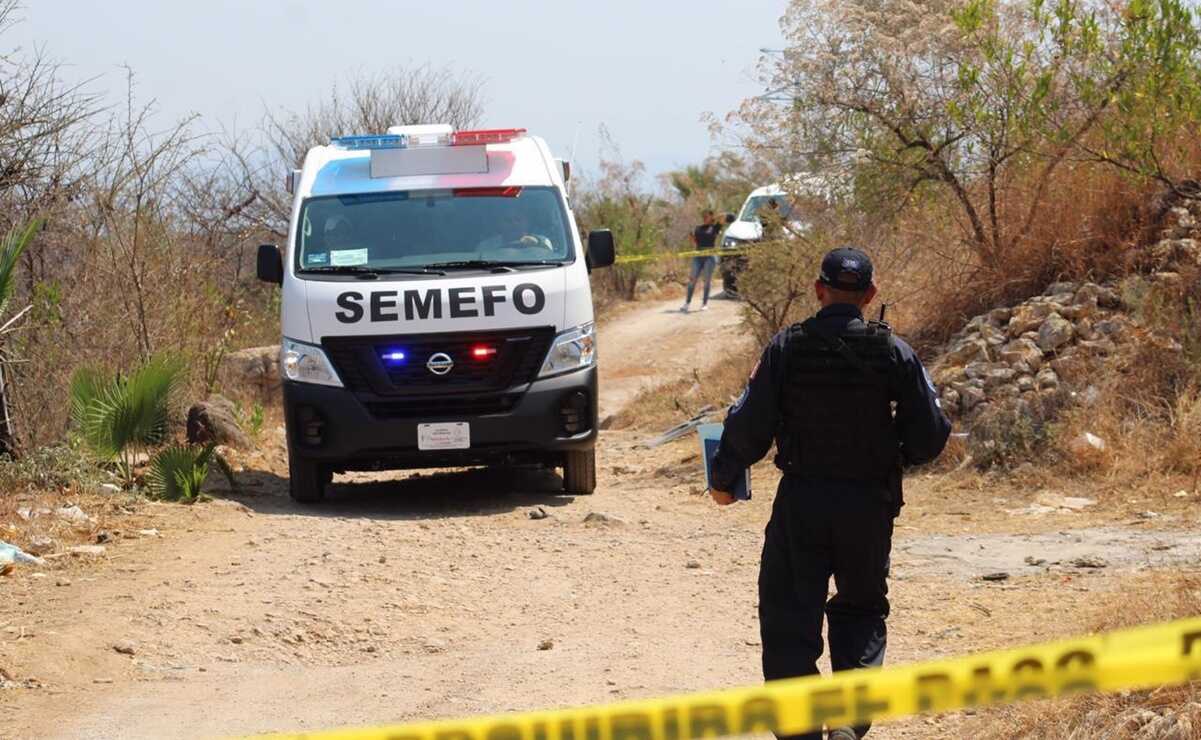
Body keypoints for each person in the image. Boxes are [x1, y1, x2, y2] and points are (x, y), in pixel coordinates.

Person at [708, 247, 951, 740]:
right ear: (870, 295)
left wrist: (723, 478)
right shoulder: (894, 351)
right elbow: (931, 435)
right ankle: (846, 723)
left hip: (802, 502)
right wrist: (890, 454)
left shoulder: (786, 347)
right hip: (868, 505)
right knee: (861, 612)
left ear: (818, 290)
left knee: (789, 617)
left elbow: (748, 425)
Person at [680, 209, 723, 312]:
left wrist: (715, 218)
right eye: (703, 216)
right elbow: (694, 242)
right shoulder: (698, 228)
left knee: (707, 281)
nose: (704, 217)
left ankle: (704, 303)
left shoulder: (715, 228)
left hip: (709, 256)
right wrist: (691, 237)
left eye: (707, 216)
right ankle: (687, 303)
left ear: (711, 217)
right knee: (692, 280)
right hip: (698, 255)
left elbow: (724, 217)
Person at [478, 208, 553, 253]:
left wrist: (536, 244)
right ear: (499, 224)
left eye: (518, 219)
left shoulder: (542, 242)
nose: (514, 224)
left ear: (527, 223)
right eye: (508, 220)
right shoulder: (486, 247)